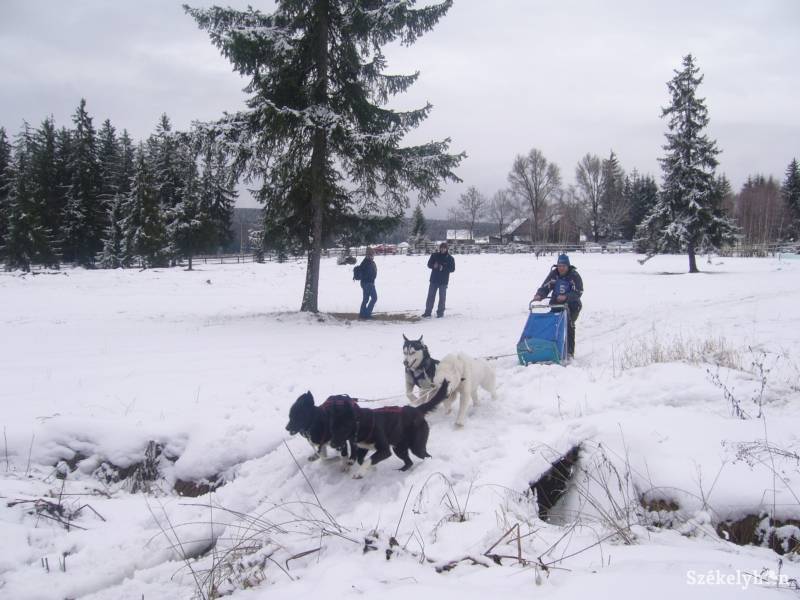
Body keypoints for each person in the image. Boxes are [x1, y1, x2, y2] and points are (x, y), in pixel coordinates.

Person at [532, 253, 583, 358]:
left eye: (563, 266)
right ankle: (550, 348)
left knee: (568, 325)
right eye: (559, 266)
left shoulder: (574, 276)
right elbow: (546, 286)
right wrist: (540, 295)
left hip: (572, 306)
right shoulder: (554, 274)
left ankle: (569, 352)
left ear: (568, 266)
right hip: (556, 305)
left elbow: (578, 291)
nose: (561, 268)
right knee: (552, 325)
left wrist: (566, 297)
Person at [423, 242, 456, 318]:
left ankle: (440, 313)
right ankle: (427, 312)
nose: (443, 249)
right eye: (441, 248)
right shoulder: (434, 255)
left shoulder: (450, 258)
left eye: (444, 248)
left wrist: (443, 268)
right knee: (430, 297)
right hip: (434, 280)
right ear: (440, 248)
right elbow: (429, 264)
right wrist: (433, 265)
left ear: (447, 249)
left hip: (443, 281)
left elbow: (452, 269)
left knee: (442, 298)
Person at [358, 246, 378, 319]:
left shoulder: (365, 261)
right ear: (369, 254)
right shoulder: (367, 262)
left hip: (365, 283)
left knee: (366, 299)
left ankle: (362, 314)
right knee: (374, 298)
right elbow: (369, 273)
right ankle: (367, 314)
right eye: (372, 254)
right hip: (368, 283)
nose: (373, 256)